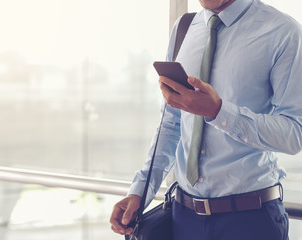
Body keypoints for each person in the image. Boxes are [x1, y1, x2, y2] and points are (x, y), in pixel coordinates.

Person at [110, 0, 302, 239]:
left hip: (250, 221)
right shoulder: (184, 29)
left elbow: (295, 133)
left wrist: (219, 112)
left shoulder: (282, 31)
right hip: (183, 218)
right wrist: (140, 191)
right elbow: (171, 124)